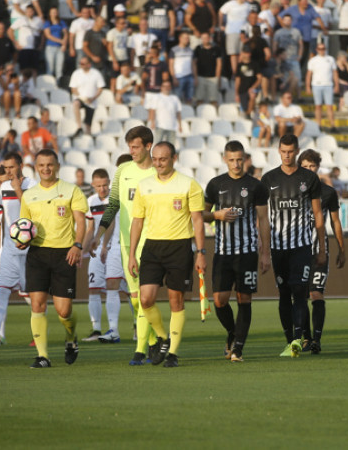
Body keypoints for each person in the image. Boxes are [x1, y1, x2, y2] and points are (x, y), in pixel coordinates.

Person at [127, 142, 206, 368]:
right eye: (155, 159)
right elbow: (137, 221)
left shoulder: (189, 184)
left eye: (163, 159)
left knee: (176, 301)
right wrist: (132, 254)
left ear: (174, 158)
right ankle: (163, 337)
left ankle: (172, 353)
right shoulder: (144, 186)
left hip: (179, 247)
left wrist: (201, 252)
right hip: (152, 247)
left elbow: (198, 221)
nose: (158, 163)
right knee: (145, 299)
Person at [90, 126, 158, 364]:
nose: (132, 151)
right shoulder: (123, 170)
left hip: (152, 244)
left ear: (148, 146)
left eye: (136, 147)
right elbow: (113, 205)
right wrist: (98, 235)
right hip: (126, 245)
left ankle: (141, 351)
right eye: (130, 147)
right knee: (137, 300)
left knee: (146, 299)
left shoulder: (158, 172)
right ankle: (155, 341)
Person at [17, 150, 87, 369]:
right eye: (41, 165)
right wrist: (23, 241)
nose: (45, 168)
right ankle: (42, 356)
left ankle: (71, 338)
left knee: (64, 311)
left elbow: (81, 221)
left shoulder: (71, 190)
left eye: (49, 164)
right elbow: (25, 225)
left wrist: (77, 245)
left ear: (57, 166)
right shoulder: (29, 195)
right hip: (37, 254)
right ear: (36, 167)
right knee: (37, 305)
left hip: (64, 254)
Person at [202, 141, 271, 361]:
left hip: (247, 252)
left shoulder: (256, 186)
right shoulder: (215, 184)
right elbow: (201, 215)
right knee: (219, 301)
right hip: (222, 252)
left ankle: (238, 348)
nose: (236, 164)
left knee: (244, 298)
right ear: (225, 159)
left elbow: (263, 219)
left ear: (245, 159)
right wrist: (217, 215)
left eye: (240, 159)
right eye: (231, 160)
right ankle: (233, 333)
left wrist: (265, 253)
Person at [262, 134, 326, 357]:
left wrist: (321, 249)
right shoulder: (268, 179)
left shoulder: (309, 178)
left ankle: (298, 339)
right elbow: (262, 217)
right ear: (279, 151)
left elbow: (318, 214)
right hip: (278, 247)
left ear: (297, 151)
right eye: (283, 151)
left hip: (301, 246)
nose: (287, 155)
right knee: (283, 293)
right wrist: (264, 251)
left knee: (300, 291)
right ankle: (290, 340)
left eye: (291, 151)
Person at [0, 153, 36, 347]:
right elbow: (2, 222)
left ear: (20, 165)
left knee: (32, 295)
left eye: (12, 167)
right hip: (9, 250)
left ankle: (38, 334)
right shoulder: (4, 188)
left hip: (29, 250)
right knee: (1, 290)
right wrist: (0, 251)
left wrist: (19, 190)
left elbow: (34, 212)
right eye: (6, 168)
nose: (9, 171)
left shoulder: (33, 185)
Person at [297, 150, 344, 354]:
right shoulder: (294, 189)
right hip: (297, 251)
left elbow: (335, 221)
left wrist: (342, 249)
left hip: (319, 251)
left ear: (318, 167)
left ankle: (316, 339)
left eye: (312, 166)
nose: (309, 169)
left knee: (316, 293)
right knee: (300, 296)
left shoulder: (327, 192)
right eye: (305, 166)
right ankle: (306, 337)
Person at [82, 169, 126, 343]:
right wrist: (82, 251)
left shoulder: (115, 199)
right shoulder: (91, 201)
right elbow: (90, 228)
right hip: (97, 248)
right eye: (99, 186)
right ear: (93, 185)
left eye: (105, 185)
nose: (102, 189)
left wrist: (106, 245)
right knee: (94, 288)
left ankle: (136, 328)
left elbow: (112, 224)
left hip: (113, 248)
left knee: (126, 290)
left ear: (109, 183)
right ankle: (96, 330)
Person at [69, 56, 105, 137]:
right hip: (80, 98)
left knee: (88, 127)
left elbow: (100, 88)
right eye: (80, 63)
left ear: (89, 64)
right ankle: (79, 127)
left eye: (83, 63)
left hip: (92, 101)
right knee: (76, 103)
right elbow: (73, 89)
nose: (81, 65)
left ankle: (87, 137)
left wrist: (92, 98)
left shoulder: (96, 73)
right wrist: (82, 97)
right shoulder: (76, 73)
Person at [306, 41, 338, 130]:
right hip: (316, 85)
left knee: (329, 106)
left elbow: (335, 73)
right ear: (317, 49)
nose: (321, 50)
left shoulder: (330, 59)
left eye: (323, 48)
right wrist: (308, 86)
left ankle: (332, 125)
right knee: (318, 106)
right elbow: (309, 74)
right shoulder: (313, 60)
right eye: (320, 49)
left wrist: (336, 85)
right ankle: (318, 125)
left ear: (325, 49)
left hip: (328, 85)